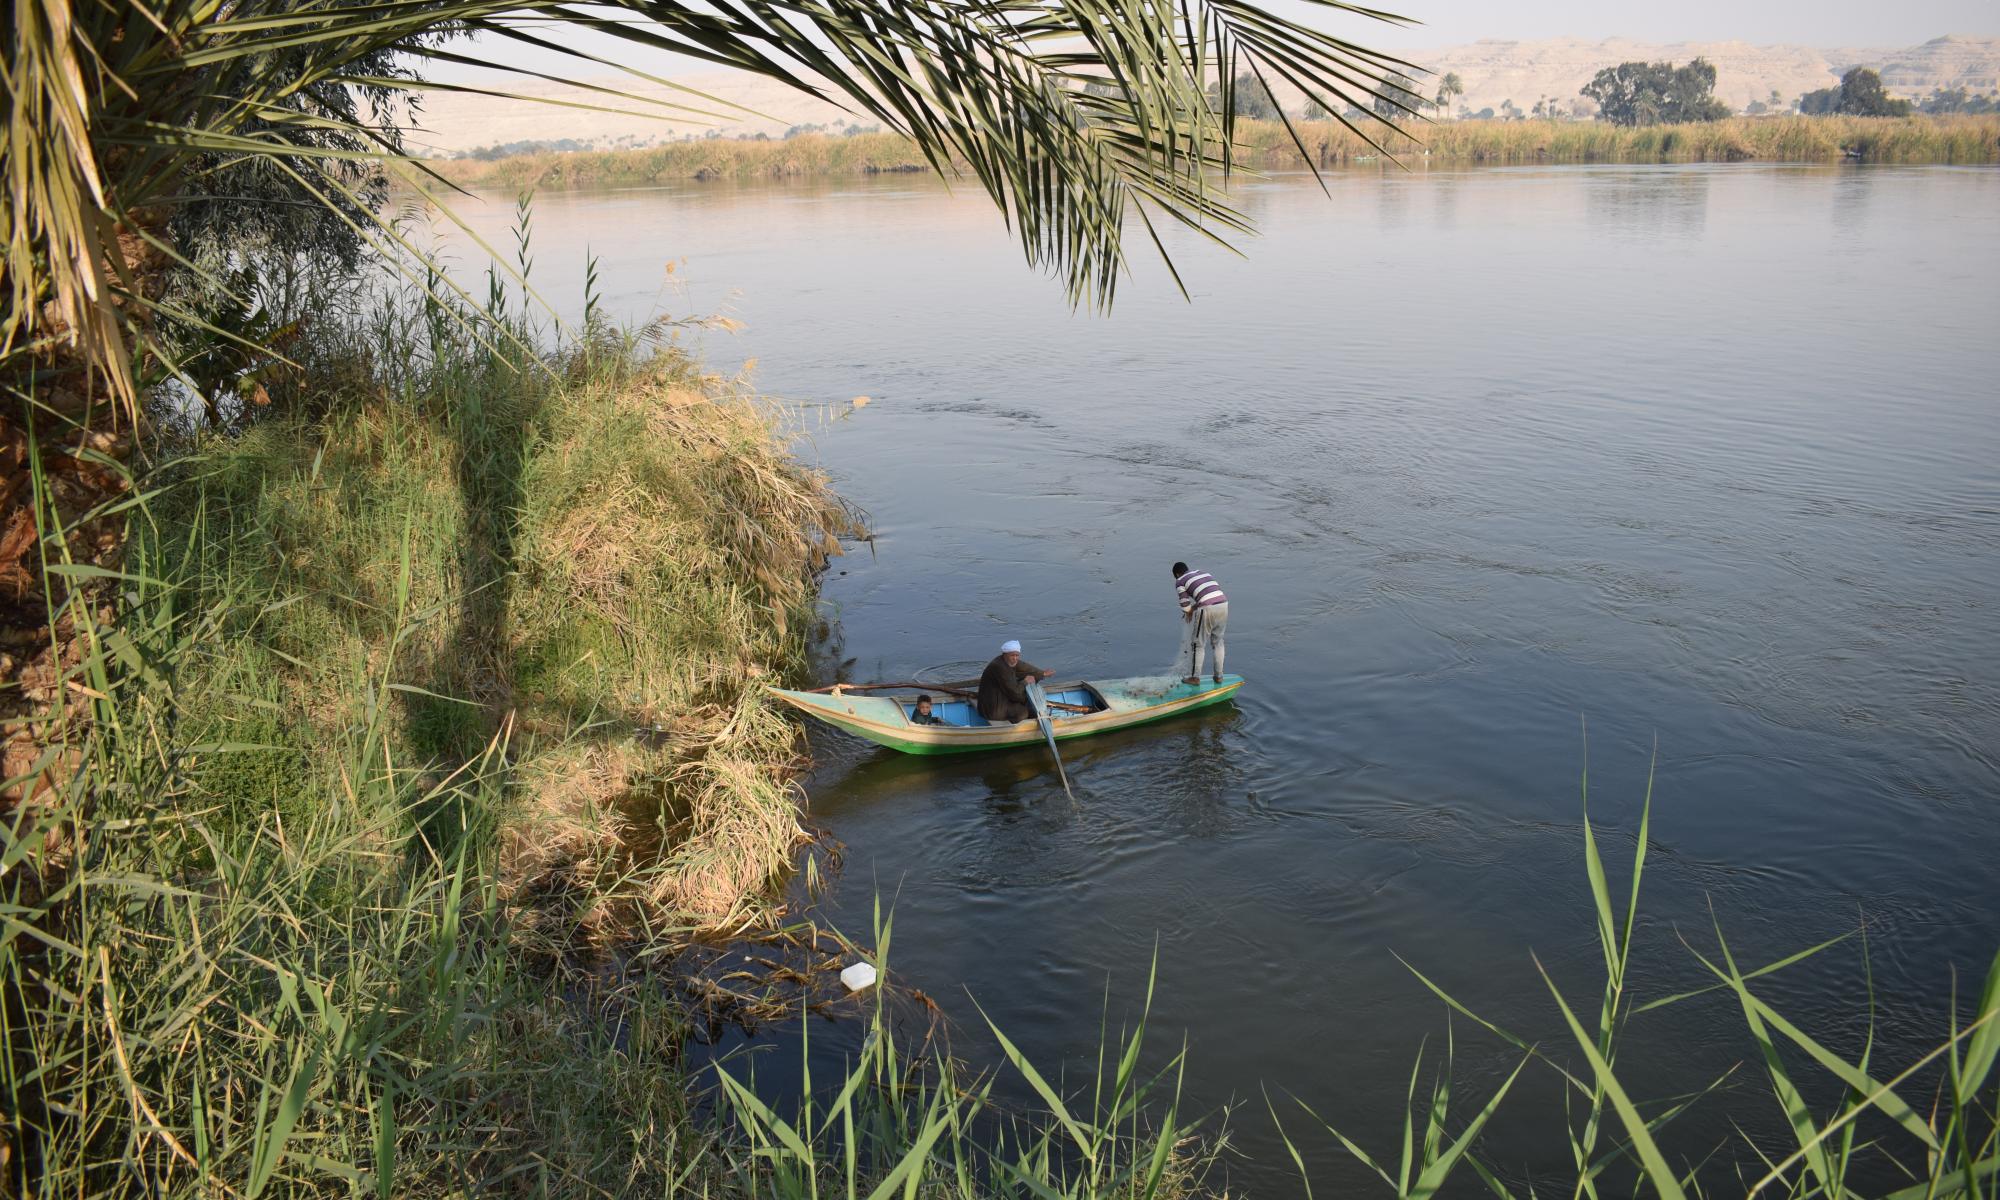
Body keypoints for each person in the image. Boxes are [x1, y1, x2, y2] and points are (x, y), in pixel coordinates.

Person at [1172, 561, 1229, 684]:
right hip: (1223, 604)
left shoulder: (1180, 581)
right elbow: (1208, 594)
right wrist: (1194, 608)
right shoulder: (1202, 573)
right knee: (1218, 643)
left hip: (1207, 609)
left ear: (1177, 574)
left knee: (1198, 644)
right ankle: (1219, 676)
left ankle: (1194, 677)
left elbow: (1185, 607)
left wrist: (1189, 610)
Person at [977, 639, 1056, 723]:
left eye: (1017, 655)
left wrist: (1042, 673)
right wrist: (1025, 682)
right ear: (1005, 655)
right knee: (1023, 712)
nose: (1015, 658)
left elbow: (1026, 668)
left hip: (996, 701)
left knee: (1030, 706)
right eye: (1012, 655)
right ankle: (1016, 726)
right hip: (992, 710)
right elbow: (1015, 694)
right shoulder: (1000, 668)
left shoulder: (1008, 661)